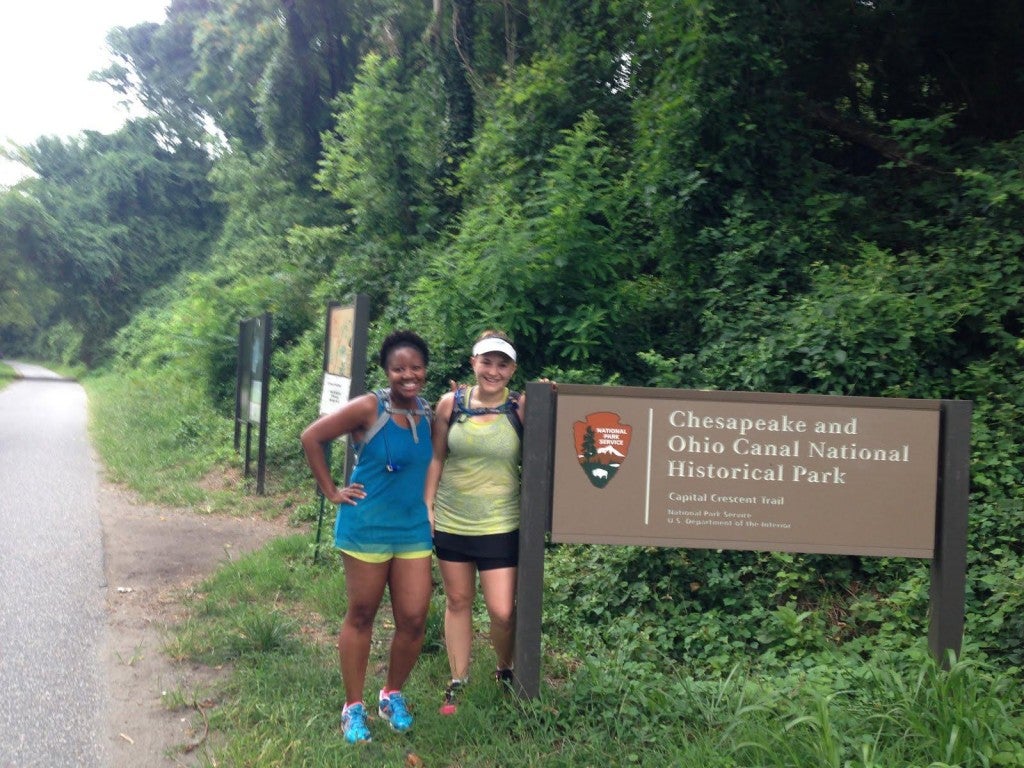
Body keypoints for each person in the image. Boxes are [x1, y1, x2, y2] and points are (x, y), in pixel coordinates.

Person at [300, 330, 434, 744]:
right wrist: (331, 491)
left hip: (412, 528)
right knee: (362, 614)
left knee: (413, 619)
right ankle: (353, 707)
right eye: (399, 368)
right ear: (387, 371)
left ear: (425, 370)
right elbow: (312, 437)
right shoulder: (368, 407)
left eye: (415, 368)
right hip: (366, 527)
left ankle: (391, 694)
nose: (407, 375)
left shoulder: (430, 413)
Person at [425, 330, 525, 715]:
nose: (493, 371)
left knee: (502, 610)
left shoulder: (521, 407)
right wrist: (428, 507)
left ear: (512, 370)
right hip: (452, 518)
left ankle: (504, 669)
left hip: (500, 522)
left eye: (502, 364)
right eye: (487, 362)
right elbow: (436, 457)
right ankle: (458, 680)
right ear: (473, 363)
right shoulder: (451, 404)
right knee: (458, 600)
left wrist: (551, 392)